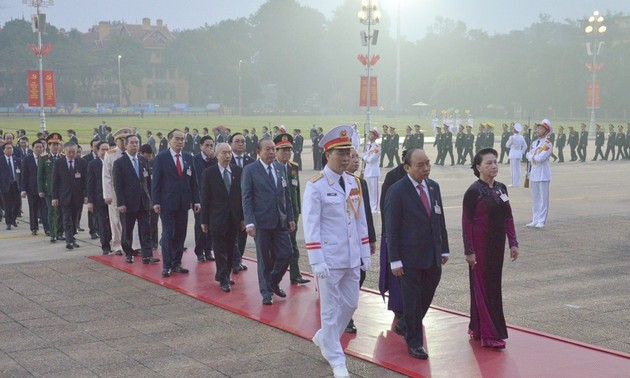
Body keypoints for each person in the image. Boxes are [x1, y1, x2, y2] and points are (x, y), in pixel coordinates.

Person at [303, 125, 370, 378]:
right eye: (340, 153)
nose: (345, 158)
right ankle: (336, 358)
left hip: (352, 256)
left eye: (348, 153)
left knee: (351, 304)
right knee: (329, 311)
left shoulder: (354, 182)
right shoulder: (317, 185)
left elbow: (360, 219)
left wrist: (364, 251)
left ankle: (324, 337)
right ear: (328, 154)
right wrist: (316, 259)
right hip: (329, 259)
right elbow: (311, 225)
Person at [384, 148, 449, 360]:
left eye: (428, 163)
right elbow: (391, 228)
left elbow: (439, 219)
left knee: (427, 293)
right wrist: (394, 259)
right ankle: (415, 343)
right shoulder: (397, 190)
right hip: (408, 257)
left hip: (432, 254)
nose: (426, 168)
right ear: (407, 167)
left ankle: (405, 324)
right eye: (420, 165)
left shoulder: (433, 186)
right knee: (412, 300)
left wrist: (444, 248)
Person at [462, 148, 519, 349]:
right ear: (478, 167)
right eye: (488, 163)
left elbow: (508, 216)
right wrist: (469, 251)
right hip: (480, 248)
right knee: (483, 288)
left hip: (497, 247)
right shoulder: (474, 191)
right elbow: (467, 223)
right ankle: (489, 333)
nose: (494, 166)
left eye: (495, 162)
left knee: (492, 287)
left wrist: (513, 242)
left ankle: (478, 327)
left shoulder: (502, 188)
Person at [242, 138, 295, 305]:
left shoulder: (280, 168)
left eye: (273, 149)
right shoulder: (250, 170)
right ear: (259, 152)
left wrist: (290, 217)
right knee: (264, 259)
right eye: (268, 149)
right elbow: (247, 198)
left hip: (280, 221)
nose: (272, 152)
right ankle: (266, 292)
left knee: (287, 254)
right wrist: (249, 222)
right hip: (261, 222)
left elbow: (286, 195)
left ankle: (272, 282)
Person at [152, 129, 201, 277]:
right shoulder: (161, 157)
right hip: (167, 203)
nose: (180, 142)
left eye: (182, 139)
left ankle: (176, 263)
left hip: (183, 203)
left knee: (181, 233)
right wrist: (155, 202)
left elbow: (193, 181)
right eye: (177, 139)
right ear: (169, 141)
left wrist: (196, 200)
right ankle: (167, 265)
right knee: (168, 234)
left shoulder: (187, 157)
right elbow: (156, 182)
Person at [200, 143, 243, 292]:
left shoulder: (238, 171)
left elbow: (241, 197)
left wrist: (243, 218)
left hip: (234, 218)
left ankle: (225, 274)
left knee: (232, 248)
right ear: (217, 155)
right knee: (219, 249)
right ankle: (223, 278)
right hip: (216, 218)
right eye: (224, 153)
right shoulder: (209, 173)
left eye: (229, 153)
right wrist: (203, 220)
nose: (227, 155)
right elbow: (205, 198)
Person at [113, 135, 160, 265]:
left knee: (146, 229)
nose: (135, 145)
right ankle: (128, 252)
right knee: (127, 230)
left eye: (137, 143)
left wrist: (151, 199)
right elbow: (118, 185)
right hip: (128, 203)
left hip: (143, 201)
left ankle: (147, 254)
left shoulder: (143, 160)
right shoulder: (119, 163)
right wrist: (121, 203)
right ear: (126, 145)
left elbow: (148, 181)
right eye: (132, 143)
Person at [344, 146, 376, 333]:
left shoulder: (360, 183)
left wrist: (370, 238)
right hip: (341, 241)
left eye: (357, 157)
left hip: (358, 239)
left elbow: (366, 215)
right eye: (352, 157)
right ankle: (345, 317)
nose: (356, 160)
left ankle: (347, 309)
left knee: (360, 274)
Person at [273, 133, 310, 285]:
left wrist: (298, 211)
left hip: (292, 215)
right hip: (276, 215)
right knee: (275, 249)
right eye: (283, 150)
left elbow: (296, 190)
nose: (287, 153)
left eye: (289, 150)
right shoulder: (272, 168)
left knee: (293, 247)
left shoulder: (293, 168)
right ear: (276, 151)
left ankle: (295, 274)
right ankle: (273, 278)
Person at [51, 142, 87, 250]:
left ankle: (73, 236)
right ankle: (69, 240)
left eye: (74, 152)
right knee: (66, 218)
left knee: (75, 218)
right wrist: (54, 197)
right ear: (64, 151)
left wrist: (86, 195)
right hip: (64, 196)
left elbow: (85, 180)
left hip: (78, 196)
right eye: (69, 152)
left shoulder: (82, 162)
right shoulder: (59, 163)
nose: (71, 154)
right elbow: (55, 181)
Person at [229, 133, 254, 273]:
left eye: (243, 141)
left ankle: (239, 259)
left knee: (243, 234)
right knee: (232, 235)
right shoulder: (226, 158)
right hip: (230, 204)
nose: (240, 144)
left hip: (245, 204)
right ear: (231, 143)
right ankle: (233, 261)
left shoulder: (250, 161)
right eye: (237, 141)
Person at [192, 135, 217, 262]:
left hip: (213, 198)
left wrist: (215, 159)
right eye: (206, 145)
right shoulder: (195, 160)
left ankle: (208, 250)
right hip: (200, 197)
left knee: (212, 225)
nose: (209, 148)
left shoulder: (215, 160)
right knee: (200, 225)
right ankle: (199, 250)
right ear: (201, 146)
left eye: (211, 145)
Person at [526, 119, 553, 229]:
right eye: (538, 128)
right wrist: (532, 157)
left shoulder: (547, 144)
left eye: (541, 128)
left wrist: (531, 157)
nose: (538, 130)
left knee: (543, 199)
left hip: (543, 173)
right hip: (534, 173)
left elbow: (541, 158)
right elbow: (529, 157)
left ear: (546, 131)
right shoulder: (534, 143)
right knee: (535, 198)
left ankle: (541, 220)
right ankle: (535, 219)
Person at [87, 141, 112, 254]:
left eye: (107, 149)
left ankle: (115, 242)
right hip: (99, 198)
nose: (106, 152)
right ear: (97, 152)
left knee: (114, 223)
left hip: (113, 198)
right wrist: (90, 201)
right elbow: (90, 183)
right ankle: (105, 246)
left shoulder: (114, 162)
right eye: (103, 149)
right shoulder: (93, 164)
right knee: (102, 223)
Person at [38, 133, 64, 242]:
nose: (55, 147)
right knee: (52, 211)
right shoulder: (44, 158)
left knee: (61, 212)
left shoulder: (63, 157)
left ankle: (60, 233)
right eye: (53, 144)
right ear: (49, 145)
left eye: (57, 144)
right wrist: (40, 190)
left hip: (62, 189)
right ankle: (53, 233)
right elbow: (40, 176)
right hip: (49, 190)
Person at [20, 139, 48, 235]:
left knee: (45, 209)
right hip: (31, 189)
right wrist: (23, 189)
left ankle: (47, 228)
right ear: (33, 148)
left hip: (44, 189)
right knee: (33, 209)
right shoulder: (27, 159)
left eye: (41, 147)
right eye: (37, 147)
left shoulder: (46, 158)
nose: (39, 149)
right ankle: (34, 227)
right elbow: (24, 175)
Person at [1, 142, 21, 230]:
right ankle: (8, 223)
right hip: (5, 185)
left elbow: (21, 173)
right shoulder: (1, 160)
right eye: (8, 148)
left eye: (11, 148)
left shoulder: (17, 160)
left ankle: (13, 218)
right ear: (3, 150)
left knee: (17, 203)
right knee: (7, 205)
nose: (10, 150)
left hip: (15, 185)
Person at [362, 128, 381, 212]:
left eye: (371, 133)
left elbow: (371, 159)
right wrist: (366, 158)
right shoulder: (368, 146)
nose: (369, 135)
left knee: (375, 191)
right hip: (367, 171)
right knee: (369, 190)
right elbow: (363, 156)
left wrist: (366, 158)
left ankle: (375, 208)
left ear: (375, 136)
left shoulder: (377, 147)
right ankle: (370, 206)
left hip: (373, 171)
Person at [505, 123, 527, 188]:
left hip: (513, 154)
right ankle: (518, 183)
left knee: (513, 169)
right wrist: (521, 152)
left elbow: (507, 145)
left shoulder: (512, 137)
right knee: (518, 169)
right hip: (519, 154)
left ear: (514, 130)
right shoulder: (521, 137)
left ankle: (513, 183)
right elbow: (525, 146)